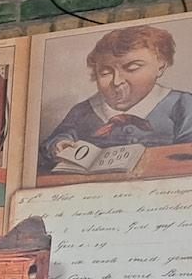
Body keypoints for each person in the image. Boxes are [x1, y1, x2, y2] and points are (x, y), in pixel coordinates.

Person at [39, 24, 192, 174]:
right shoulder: (83, 111)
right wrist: (59, 145)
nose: (117, 81)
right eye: (105, 73)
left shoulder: (182, 104)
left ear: (160, 66)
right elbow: (53, 143)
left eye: (132, 68)